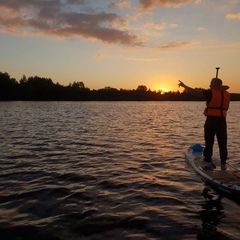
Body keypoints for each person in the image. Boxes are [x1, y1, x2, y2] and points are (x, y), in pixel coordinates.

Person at [178, 78, 230, 170]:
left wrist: (185, 86)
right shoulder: (227, 94)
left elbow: (195, 92)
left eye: (210, 84)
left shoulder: (210, 93)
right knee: (223, 143)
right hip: (222, 121)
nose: (209, 86)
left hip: (211, 120)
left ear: (214, 85)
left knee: (209, 142)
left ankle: (208, 163)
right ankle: (223, 165)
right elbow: (225, 108)